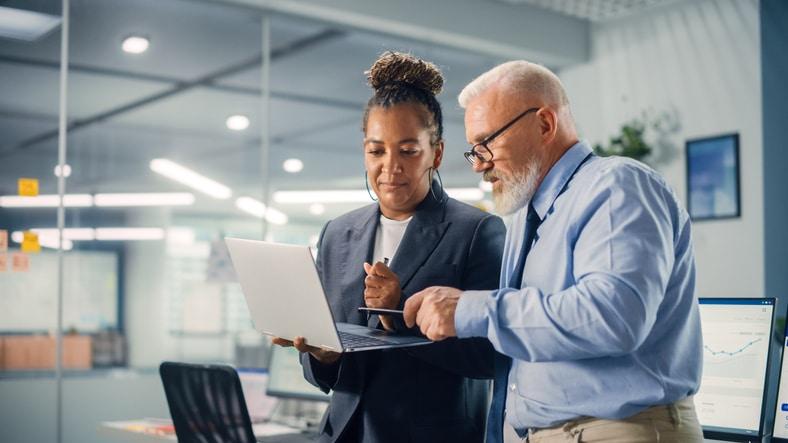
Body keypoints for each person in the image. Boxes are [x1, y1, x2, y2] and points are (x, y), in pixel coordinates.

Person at [403, 60, 704, 442]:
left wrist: (471, 308)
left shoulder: (615, 187)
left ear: (544, 124)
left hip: (619, 431)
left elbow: (611, 317)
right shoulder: (525, 220)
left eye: (487, 143)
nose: (479, 165)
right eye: (473, 150)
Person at [273, 51, 506, 443]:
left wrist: (399, 313)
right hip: (343, 434)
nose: (390, 167)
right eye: (376, 150)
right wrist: (320, 354)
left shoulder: (477, 231)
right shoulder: (337, 233)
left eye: (408, 150)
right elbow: (324, 369)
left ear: (437, 152)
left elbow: (489, 358)